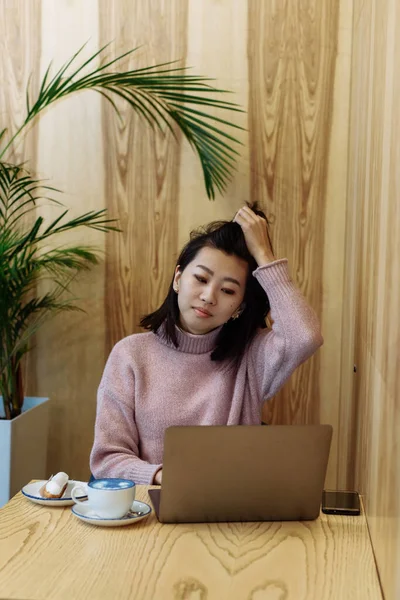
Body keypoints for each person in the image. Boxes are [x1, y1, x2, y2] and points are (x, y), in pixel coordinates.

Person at [90, 204, 323, 485]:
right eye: (200, 279)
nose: (209, 297)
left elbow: (304, 336)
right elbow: (108, 458)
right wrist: (164, 477)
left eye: (228, 290)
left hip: (227, 515)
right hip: (148, 513)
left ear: (239, 306)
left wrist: (264, 255)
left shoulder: (251, 356)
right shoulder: (130, 355)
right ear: (178, 279)